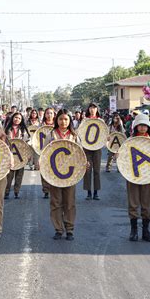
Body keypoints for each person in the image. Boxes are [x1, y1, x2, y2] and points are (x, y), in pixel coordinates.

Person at [45, 109, 82, 241]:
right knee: (55, 202)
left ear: (70, 121)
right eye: (60, 119)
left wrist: (84, 164)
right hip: (54, 174)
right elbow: (45, 154)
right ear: (57, 120)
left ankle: (70, 229)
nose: (63, 122)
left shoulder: (75, 136)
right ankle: (58, 229)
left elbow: (80, 154)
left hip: (70, 175)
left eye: (66, 119)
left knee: (69, 202)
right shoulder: (51, 134)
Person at [126, 114, 150, 242]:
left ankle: (146, 230)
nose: (142, 128)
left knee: (147, 202)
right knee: (133, 202)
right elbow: (124, 158)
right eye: (140, 125)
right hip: (132, 175)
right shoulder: (129, 141)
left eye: (145, 125)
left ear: (148, 127)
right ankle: (133, 230)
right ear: (136, 127)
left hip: (148, 175)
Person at [4, 112, 30, 199]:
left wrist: (28, 154)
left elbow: (28, 142)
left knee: (19, 175)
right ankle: (6, 192)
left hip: (21, 155)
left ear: (21, 120)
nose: (17, 119)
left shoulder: (23, 130)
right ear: (12, 118)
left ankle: (16, 192)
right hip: (10, 155)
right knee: (9, 175)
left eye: (19, 118)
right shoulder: (7, 129)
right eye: (16, 117)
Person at [83, 103, 103, 200]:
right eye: (91, 107)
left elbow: (104, 133)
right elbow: (80, 133)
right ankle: (88, 192)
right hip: (86, 148)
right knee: (87, 170)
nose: (92, 109)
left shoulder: (101, 121)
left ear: (97, 109)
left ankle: (96, 192)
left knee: (97, 170)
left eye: (94, 107)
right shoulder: (85, 121)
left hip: (97, 148)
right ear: (88, 109)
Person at [41, 108, 55, 198]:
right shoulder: (41, 126)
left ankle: (54, 187)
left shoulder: (57, 125)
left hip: (55, 151)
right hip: (42, 150)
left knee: (53, 169)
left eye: (51, 113)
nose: (49, 115)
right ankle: (46, 190)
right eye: (47, 113)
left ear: (54, 115)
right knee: (44, 169)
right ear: (45, 115)